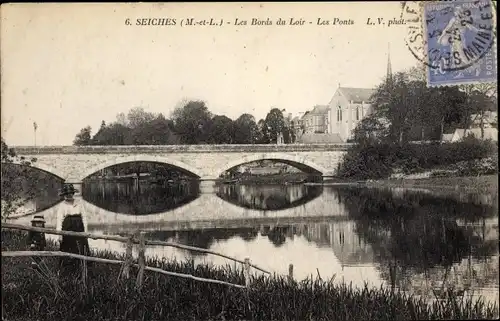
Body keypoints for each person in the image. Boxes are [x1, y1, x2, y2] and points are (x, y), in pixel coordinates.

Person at [56, 183, 91, 277]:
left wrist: (86, 231)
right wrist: (59, 234)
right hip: (67, 228)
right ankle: (67, 271)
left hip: (79, 228)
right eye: (67, 194)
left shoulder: (79, 203)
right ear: (64, 195)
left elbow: (84, 217)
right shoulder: (62, 206)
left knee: (80, 248)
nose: (69, 196)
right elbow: (59, 220)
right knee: (68, 248)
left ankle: (82, 270)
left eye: (70, 193)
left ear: (73, 193)